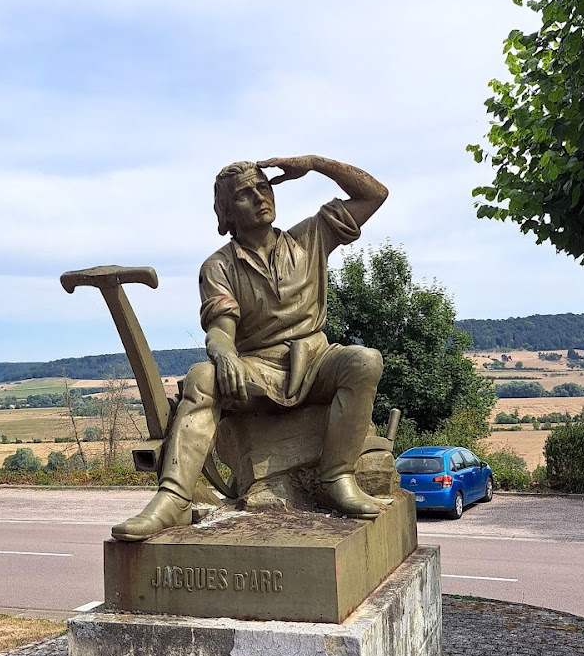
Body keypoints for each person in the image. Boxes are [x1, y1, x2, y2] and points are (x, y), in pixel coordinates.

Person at [112, 154, 389, 541]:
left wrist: (312, 164)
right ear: (226, 212)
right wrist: (223, 354)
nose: (261, 197)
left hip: (315, 362)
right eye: (246, 194)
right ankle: (173, 498)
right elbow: (221, 328)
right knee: (202, 376)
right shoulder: (218, 266)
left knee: (364, 360)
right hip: (257, 371)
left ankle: (336, 477)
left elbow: (375, 194)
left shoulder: (311, 236)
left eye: (264, 187)